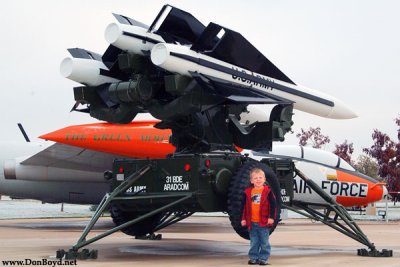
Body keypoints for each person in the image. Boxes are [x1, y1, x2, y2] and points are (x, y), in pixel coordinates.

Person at [241, 168, 277, 265]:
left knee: (264, 242)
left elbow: (273, 206)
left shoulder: (267, 192)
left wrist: (271, 218)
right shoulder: (248, 192)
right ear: (251, 181)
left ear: (264, 179)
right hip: (252, 223)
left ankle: (263, 258)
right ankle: (253, 258)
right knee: (254, 242)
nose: (258, 180)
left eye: (260, 177)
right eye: (255, 178)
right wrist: (243, 219)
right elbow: (245, 207)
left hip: (263, 223)